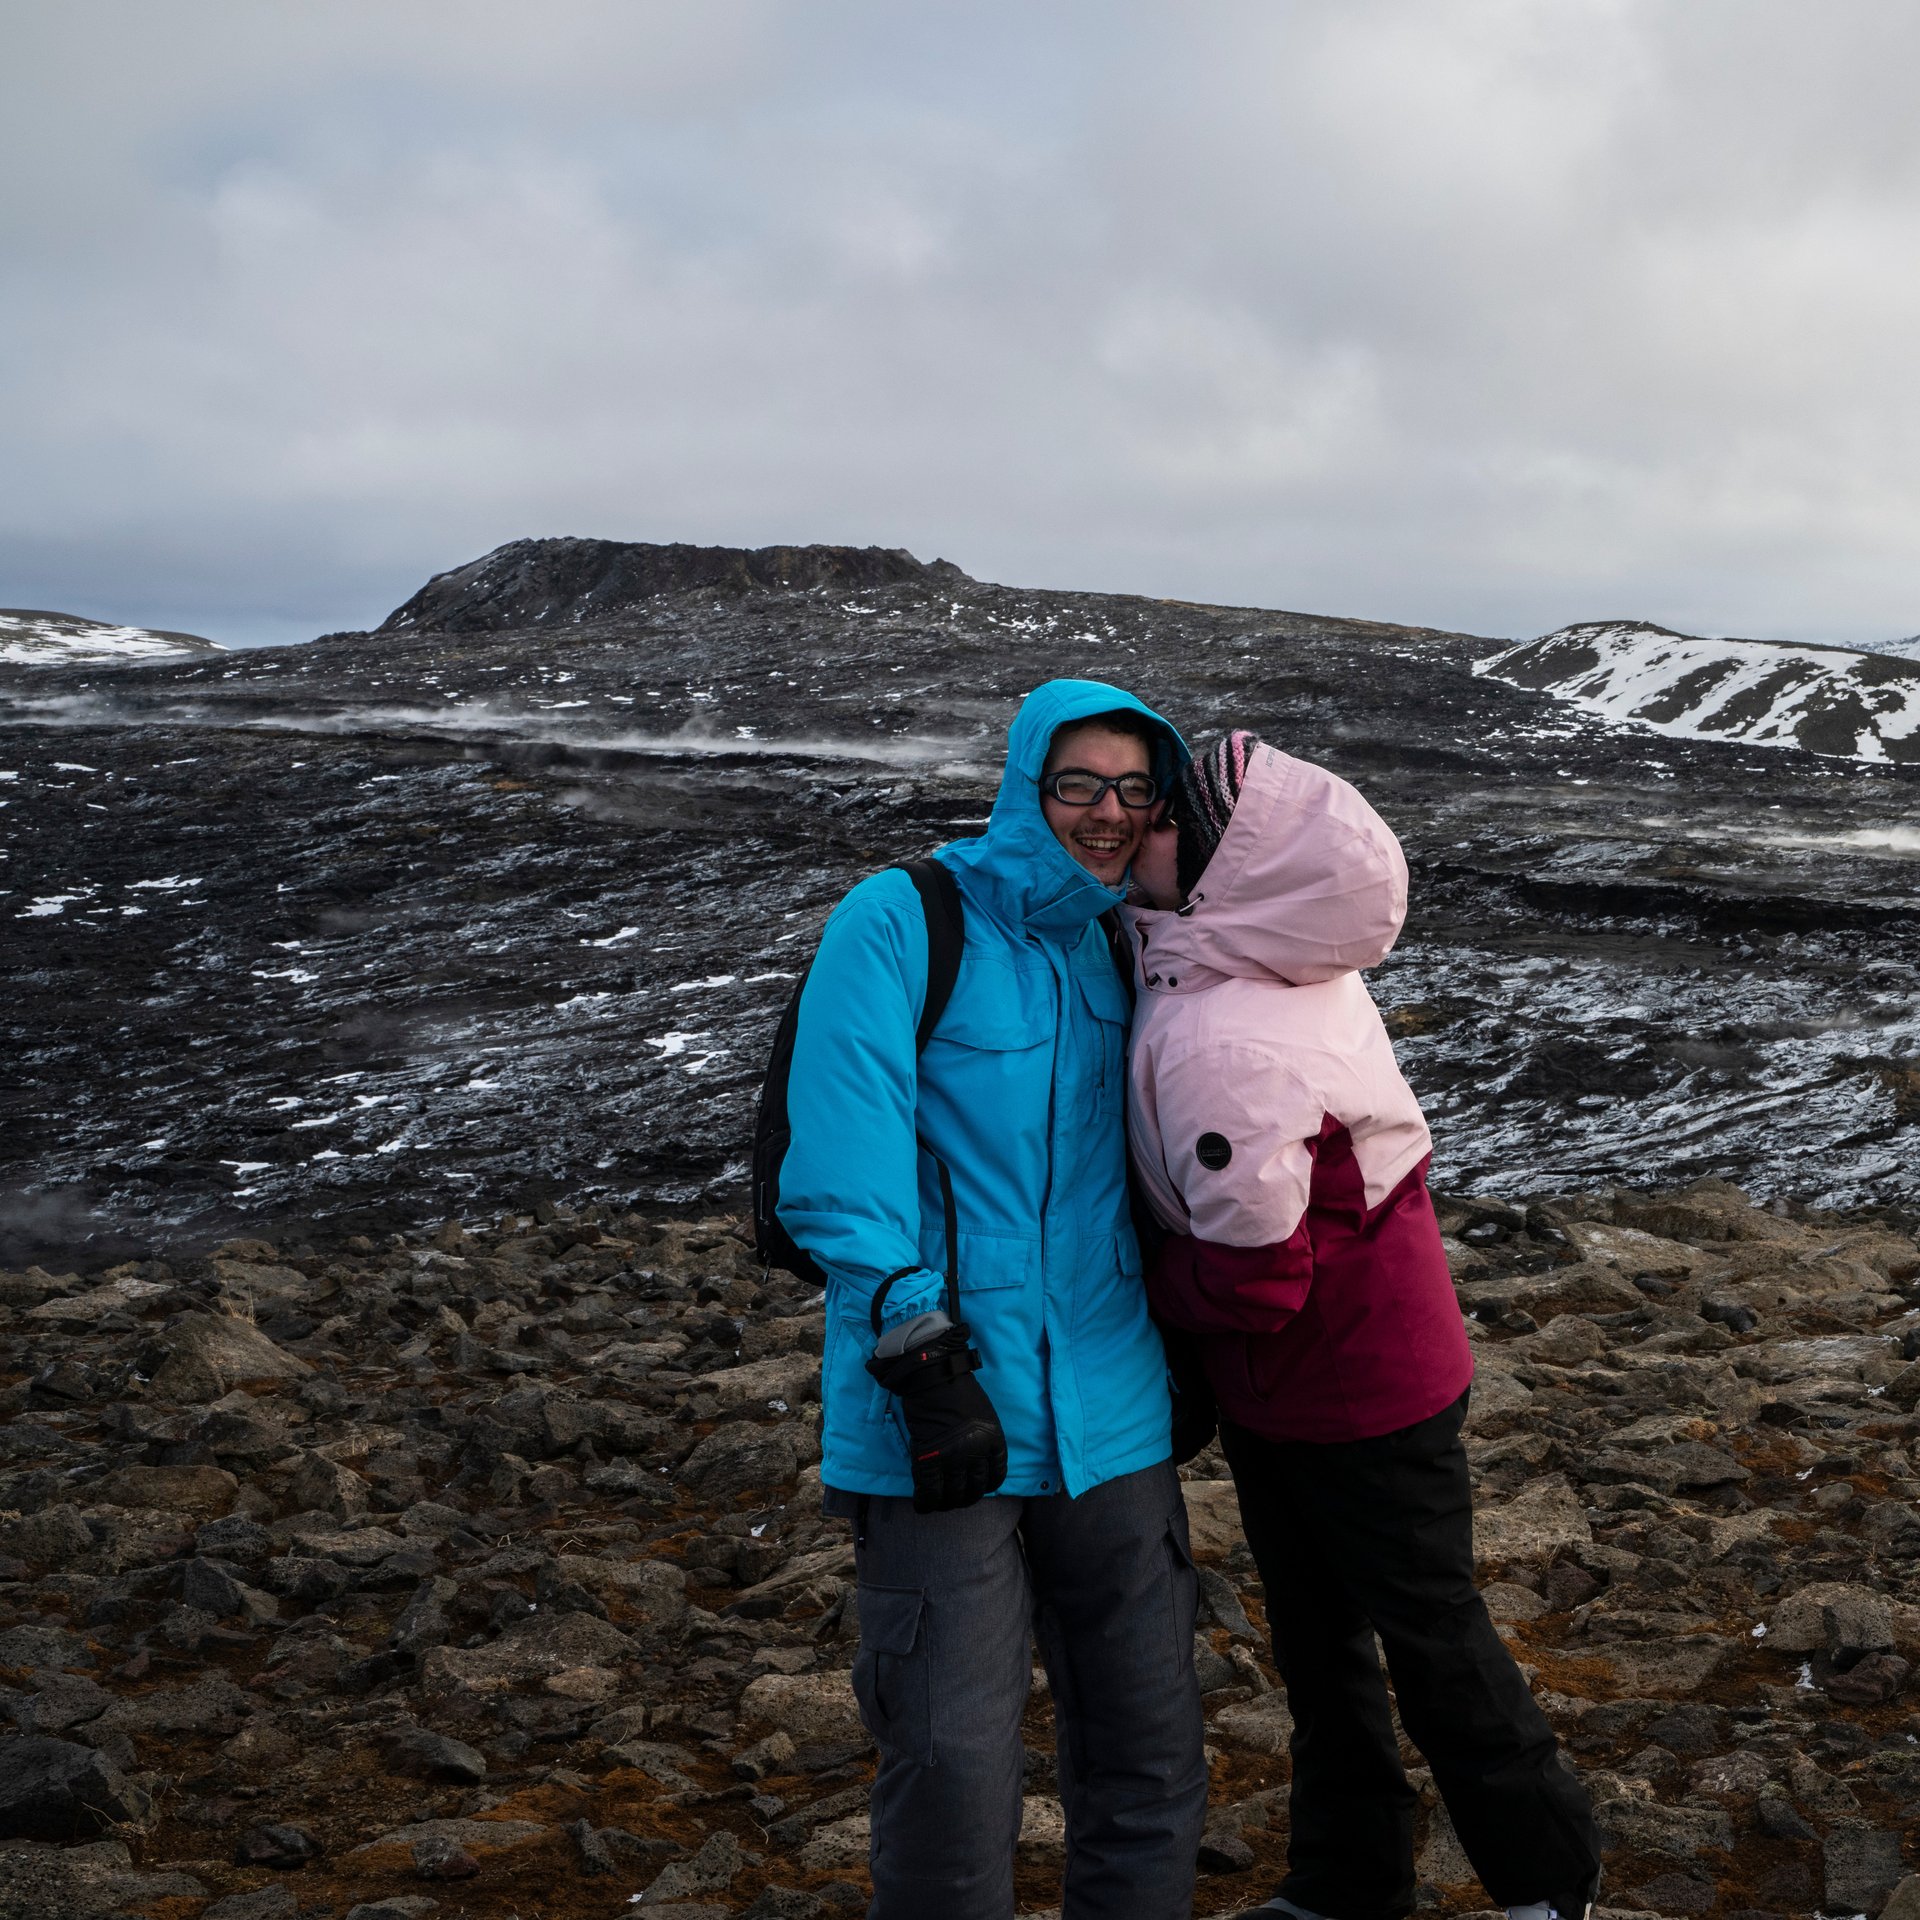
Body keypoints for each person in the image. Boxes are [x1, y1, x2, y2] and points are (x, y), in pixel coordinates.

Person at [1123, 731, 1603, 1920]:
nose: (1139, 830)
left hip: (1343, 1389)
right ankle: (1346, 1884)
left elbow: (1257, 1280)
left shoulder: (1228, 1033)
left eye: (1167, 818)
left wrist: (1131, 1285)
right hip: (1350, 1373)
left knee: (1418, 1638)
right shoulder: (1261, 964)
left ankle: (1549, 1884)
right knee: (1334, 1637)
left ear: (1231, 867)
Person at [777, 679, 1208, 1920]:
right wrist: (921, 1354)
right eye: (1080, 784)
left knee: (1148, 1750)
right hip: (944, 1410)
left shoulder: (1126, 943)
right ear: (1028, 785)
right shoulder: (905, 920)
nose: (1109, 812)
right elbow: (842, 1171)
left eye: (1136, 788)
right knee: (955, 1764)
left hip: (1113, 1413)